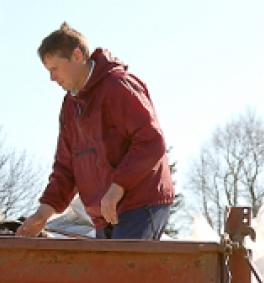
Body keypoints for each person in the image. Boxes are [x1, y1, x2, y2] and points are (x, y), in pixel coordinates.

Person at [18, 23, 173, 240]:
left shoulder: (118, 86)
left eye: (54, 69)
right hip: (103, 212)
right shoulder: (70, 107)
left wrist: (118, 187)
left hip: (140, 203)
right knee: (104, 273)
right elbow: (66, 167)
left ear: (77, 55)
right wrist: (43, 214)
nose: (52, 78)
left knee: (122, 271)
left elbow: (151, 141)